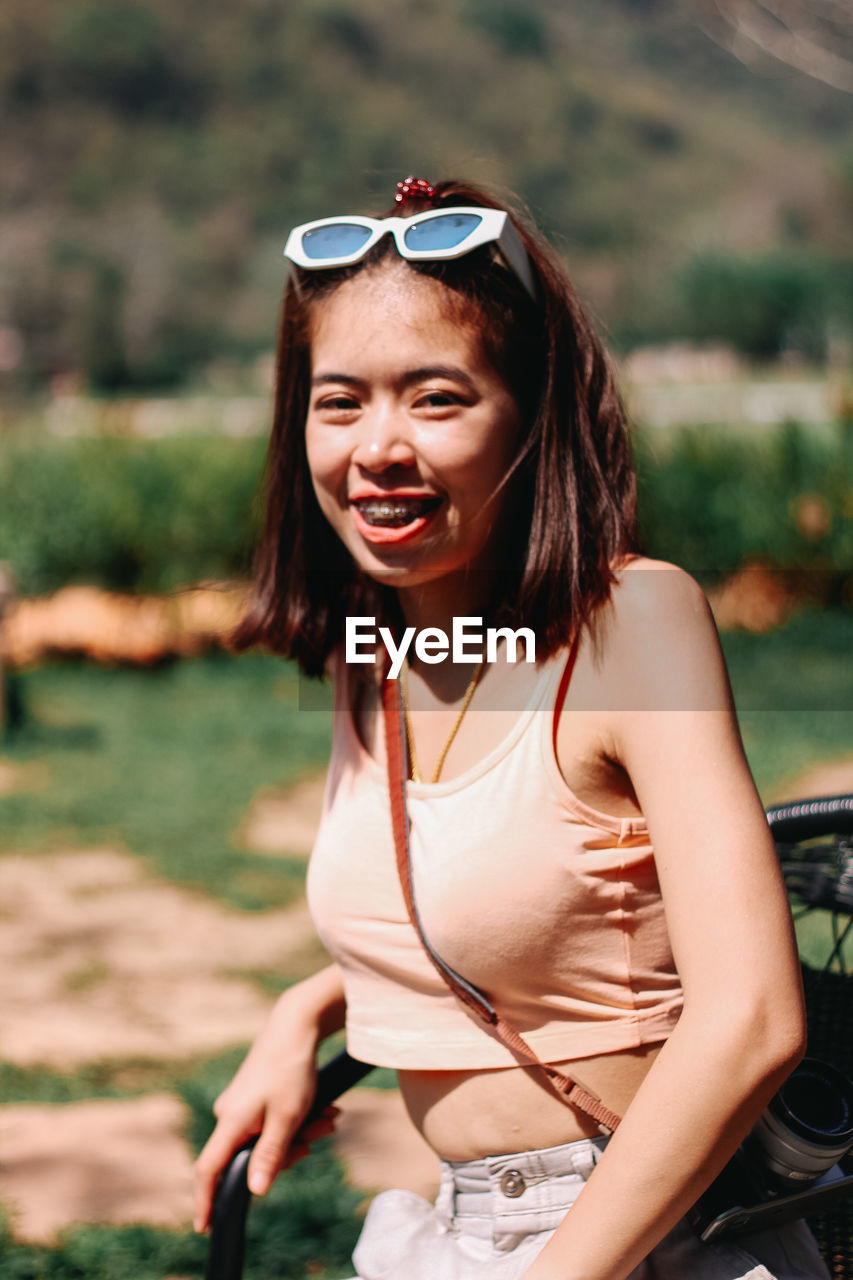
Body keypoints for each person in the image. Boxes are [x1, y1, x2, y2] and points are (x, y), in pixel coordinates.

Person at [193, 175, 829, 1280]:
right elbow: (527, 902)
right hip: (460, 1230)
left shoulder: (629, 622)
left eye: (436, 398)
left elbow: (752, 1015)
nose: (377, 447)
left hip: (644, 1230)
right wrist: (310, 1002)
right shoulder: (377, 651)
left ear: (530, 413)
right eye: (339, 400)